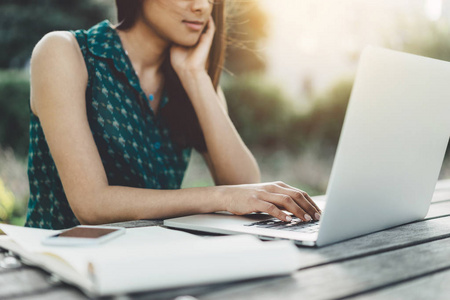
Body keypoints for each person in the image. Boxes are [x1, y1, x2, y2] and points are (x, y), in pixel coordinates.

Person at [25, 0, 321, 230]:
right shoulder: (65, 52)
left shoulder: (191, 78)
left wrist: (195, 76)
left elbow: (244, 182)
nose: (202, 6)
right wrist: (219, 197)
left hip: (152, 261)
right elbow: (91, 204)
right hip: (57, 265)